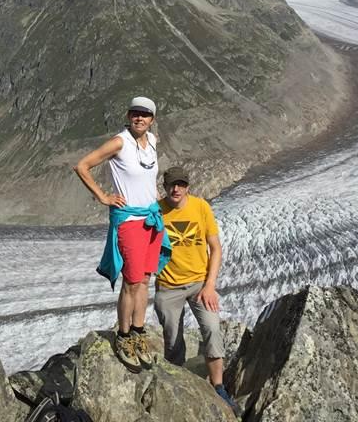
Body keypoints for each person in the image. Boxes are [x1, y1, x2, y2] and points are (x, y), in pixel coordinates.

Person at [74, 96, 171, 373]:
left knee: (144, 279)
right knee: (131, 281)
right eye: (135, 113)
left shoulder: (152, 141)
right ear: (129, 116)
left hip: (151, 219)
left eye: (145, 114)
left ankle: (139, 332)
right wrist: (103, 196)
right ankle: (124, 336)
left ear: (152, 119)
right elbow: (82, 166)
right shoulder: (119, 142)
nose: (140, 118)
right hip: (129, 220)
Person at [154, 166, 240, 416]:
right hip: (168, 286)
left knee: (213, 329)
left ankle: (218, 386)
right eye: (172, 184)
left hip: (199, 284)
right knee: (172, 340)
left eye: (181, 184)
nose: (176, 189)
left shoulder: (201, 207)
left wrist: (210, 285)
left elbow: (215, 247)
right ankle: (178, 383)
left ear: (188, 186)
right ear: (165, 187)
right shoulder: (156, 210)